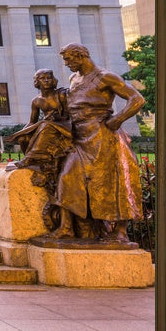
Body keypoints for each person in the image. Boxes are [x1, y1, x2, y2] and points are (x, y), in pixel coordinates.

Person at [54, 42, 146, 243]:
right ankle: (66, 227)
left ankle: (120, 231)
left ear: (80, 56)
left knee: (114, 182)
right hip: (80, 136)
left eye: (69, 59)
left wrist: (118, 119)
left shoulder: (105, 77)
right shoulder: (74, 78)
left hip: (103, 136)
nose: (67, 64)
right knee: (67, 176)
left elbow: (137, 99)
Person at [5, 69, 73, 230]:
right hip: (48, 126)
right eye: (42, 78)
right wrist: (21, 133)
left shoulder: (61, 95)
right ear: (37, 82)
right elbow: (32, 121)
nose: (46, 81)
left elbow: (71, 115)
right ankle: (31, 157)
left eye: (49, 77)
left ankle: (30, 158)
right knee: (24, 137)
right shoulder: (37, 101)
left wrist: (57, 118)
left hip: (64, 127)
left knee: (45, 125)